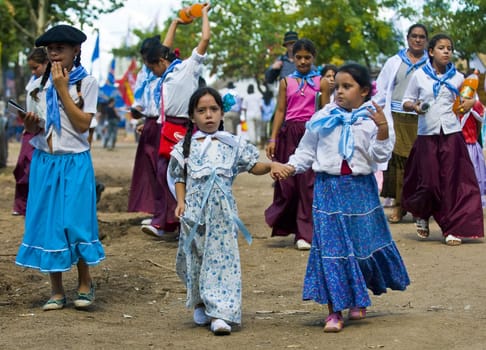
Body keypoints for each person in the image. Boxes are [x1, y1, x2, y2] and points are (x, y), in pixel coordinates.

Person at [271, 63, 410, 333]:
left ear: (365, 91)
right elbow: (306, 152)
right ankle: (334, 311)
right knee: (332, 251)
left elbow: (380, 157)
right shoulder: (323, 116)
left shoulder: (373, 118)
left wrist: (381, 129)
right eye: (337, 87)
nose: (340, 92)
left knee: (360, 246)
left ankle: (358, 297)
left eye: (348, 87)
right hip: (327, 190)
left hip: (361, 191)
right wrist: (289, 168)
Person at [169, 87, 273, 335]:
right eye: (201, 111)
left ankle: (221, 313)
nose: (208, 115)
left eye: (213, 109)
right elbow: (179, 176)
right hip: (194, 214)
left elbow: (253, 165)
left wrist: (272, 166)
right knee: (196, 259)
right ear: (193, 116)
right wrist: (180, 202)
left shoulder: (233, 144)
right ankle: (201, 302)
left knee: (222, 261)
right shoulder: (186, 146)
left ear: (222, 112)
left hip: (223, 215)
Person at [15, 25, 105, 311]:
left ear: (75, 51)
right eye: (50, 48)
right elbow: (37, 127)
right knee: (49, 224)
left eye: (60, 48)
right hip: (45, 162)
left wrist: (62, 89)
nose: (54, 53)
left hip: (75, 161)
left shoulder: (86, 83)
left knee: (75, 222)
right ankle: (56, 290)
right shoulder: (36, 86)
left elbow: (82, 124)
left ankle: (85, 282)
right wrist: (30, 125)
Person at [402, 33, 484, 245]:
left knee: (452, 183)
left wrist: (468, 103)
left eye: (449, 48)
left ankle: (452, 228)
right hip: (427, 135)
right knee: (428, 182)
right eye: (441, 48)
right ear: (431, 52)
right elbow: (406, 101)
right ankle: (422, 213)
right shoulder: (419, 76)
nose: (446, 51)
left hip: (451, 134)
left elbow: (470, 98)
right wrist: (416, 107)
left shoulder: (457, 78)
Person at [141, 3, 211, 238]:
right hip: (166, 127)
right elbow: (164, 49)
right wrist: (174, 23)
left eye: (153, 67)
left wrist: (203, 15)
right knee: (163, 173)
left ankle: (187, 222)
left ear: (161, 61)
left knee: (186, 176)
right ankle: (164, 222)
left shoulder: (188, 67)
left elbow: (205, 39)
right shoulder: (165, 75)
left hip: (186, 127)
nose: (152, 72)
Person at [265, 38, 330, 250]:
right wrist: (273, 138)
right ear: (292, 58)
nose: (302, 61)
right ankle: (290, 225)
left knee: (308, 186)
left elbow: (326, 111)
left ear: (313, 58)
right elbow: (281, 111)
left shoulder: (322, 82)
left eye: (307, 58)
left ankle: (305, 234)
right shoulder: (286, 82)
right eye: (298, 57)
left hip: (311, 134)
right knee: (288, 185)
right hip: (289, 135)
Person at [374, 24, 428, 224]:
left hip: (423, 118)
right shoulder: (394, 62)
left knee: (421, 163)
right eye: (414, 36)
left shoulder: (431, 63)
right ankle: (398, 206)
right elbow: (381, 89)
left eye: (422, 37)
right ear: (407, 38)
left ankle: (418, 207)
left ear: (426, 41)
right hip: (396, 116)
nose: (417, 40)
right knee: (398, 162)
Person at [12, 48, 49, 216]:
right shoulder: (33, 85)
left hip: (45, 132)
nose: (34, 72)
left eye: (36, 67)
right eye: (32, 69)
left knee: (36, 170)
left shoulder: (56, 85)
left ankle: (36, 206)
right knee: (22, 167)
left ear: (46, 63)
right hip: (31, 131)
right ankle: (22, 205)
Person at [458, 97, 486, 207]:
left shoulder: (474, 103)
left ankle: (472, 201)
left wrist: (473, 102)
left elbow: (481, 116)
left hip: (470, 144)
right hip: (462, 145)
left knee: (474, 173)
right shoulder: (454, 103)